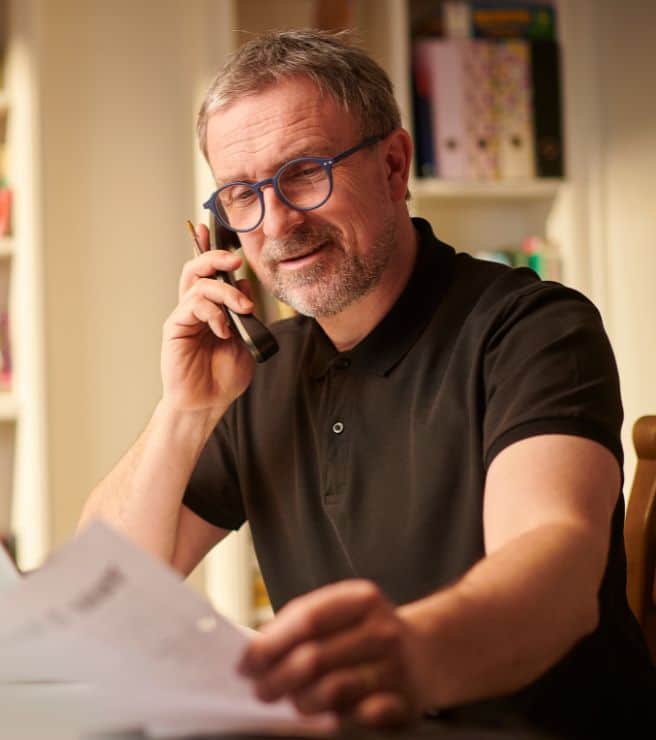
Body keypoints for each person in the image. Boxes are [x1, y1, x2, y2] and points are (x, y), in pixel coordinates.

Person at [79, 29, 656, 736]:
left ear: (392, 165)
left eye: (304, 173)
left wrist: (410, 656)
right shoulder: (255, 373)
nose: (278, 223)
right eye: (242, 195)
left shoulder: (531, 328)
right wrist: (184, 410)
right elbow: (102, 589)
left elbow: (557, 572)